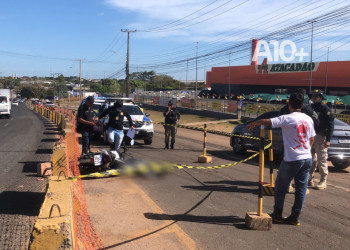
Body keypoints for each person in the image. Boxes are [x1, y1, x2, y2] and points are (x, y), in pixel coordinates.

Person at [248, 92, 315, 226]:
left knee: (280, 187)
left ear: (289, 104)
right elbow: (312, 139)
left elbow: (267, 122)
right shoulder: (309, 119)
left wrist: (253, 123)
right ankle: (295, 216)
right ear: (302, 105)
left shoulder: (287, 118)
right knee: (301, 189)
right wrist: (305, 150)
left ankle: (278, 213)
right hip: (307, 157)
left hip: (292, 159)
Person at [308, 89, 334, 190]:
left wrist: (328, 139)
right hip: (311, 135)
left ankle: (323, 180)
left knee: (321, 158)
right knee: (311, 158)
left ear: (321, 97)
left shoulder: (325, 108)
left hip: (321, 135)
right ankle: (309, 178)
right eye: (313, 96)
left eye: (316, 96)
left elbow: (331, 124)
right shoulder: (310, 108)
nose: (314, 98)